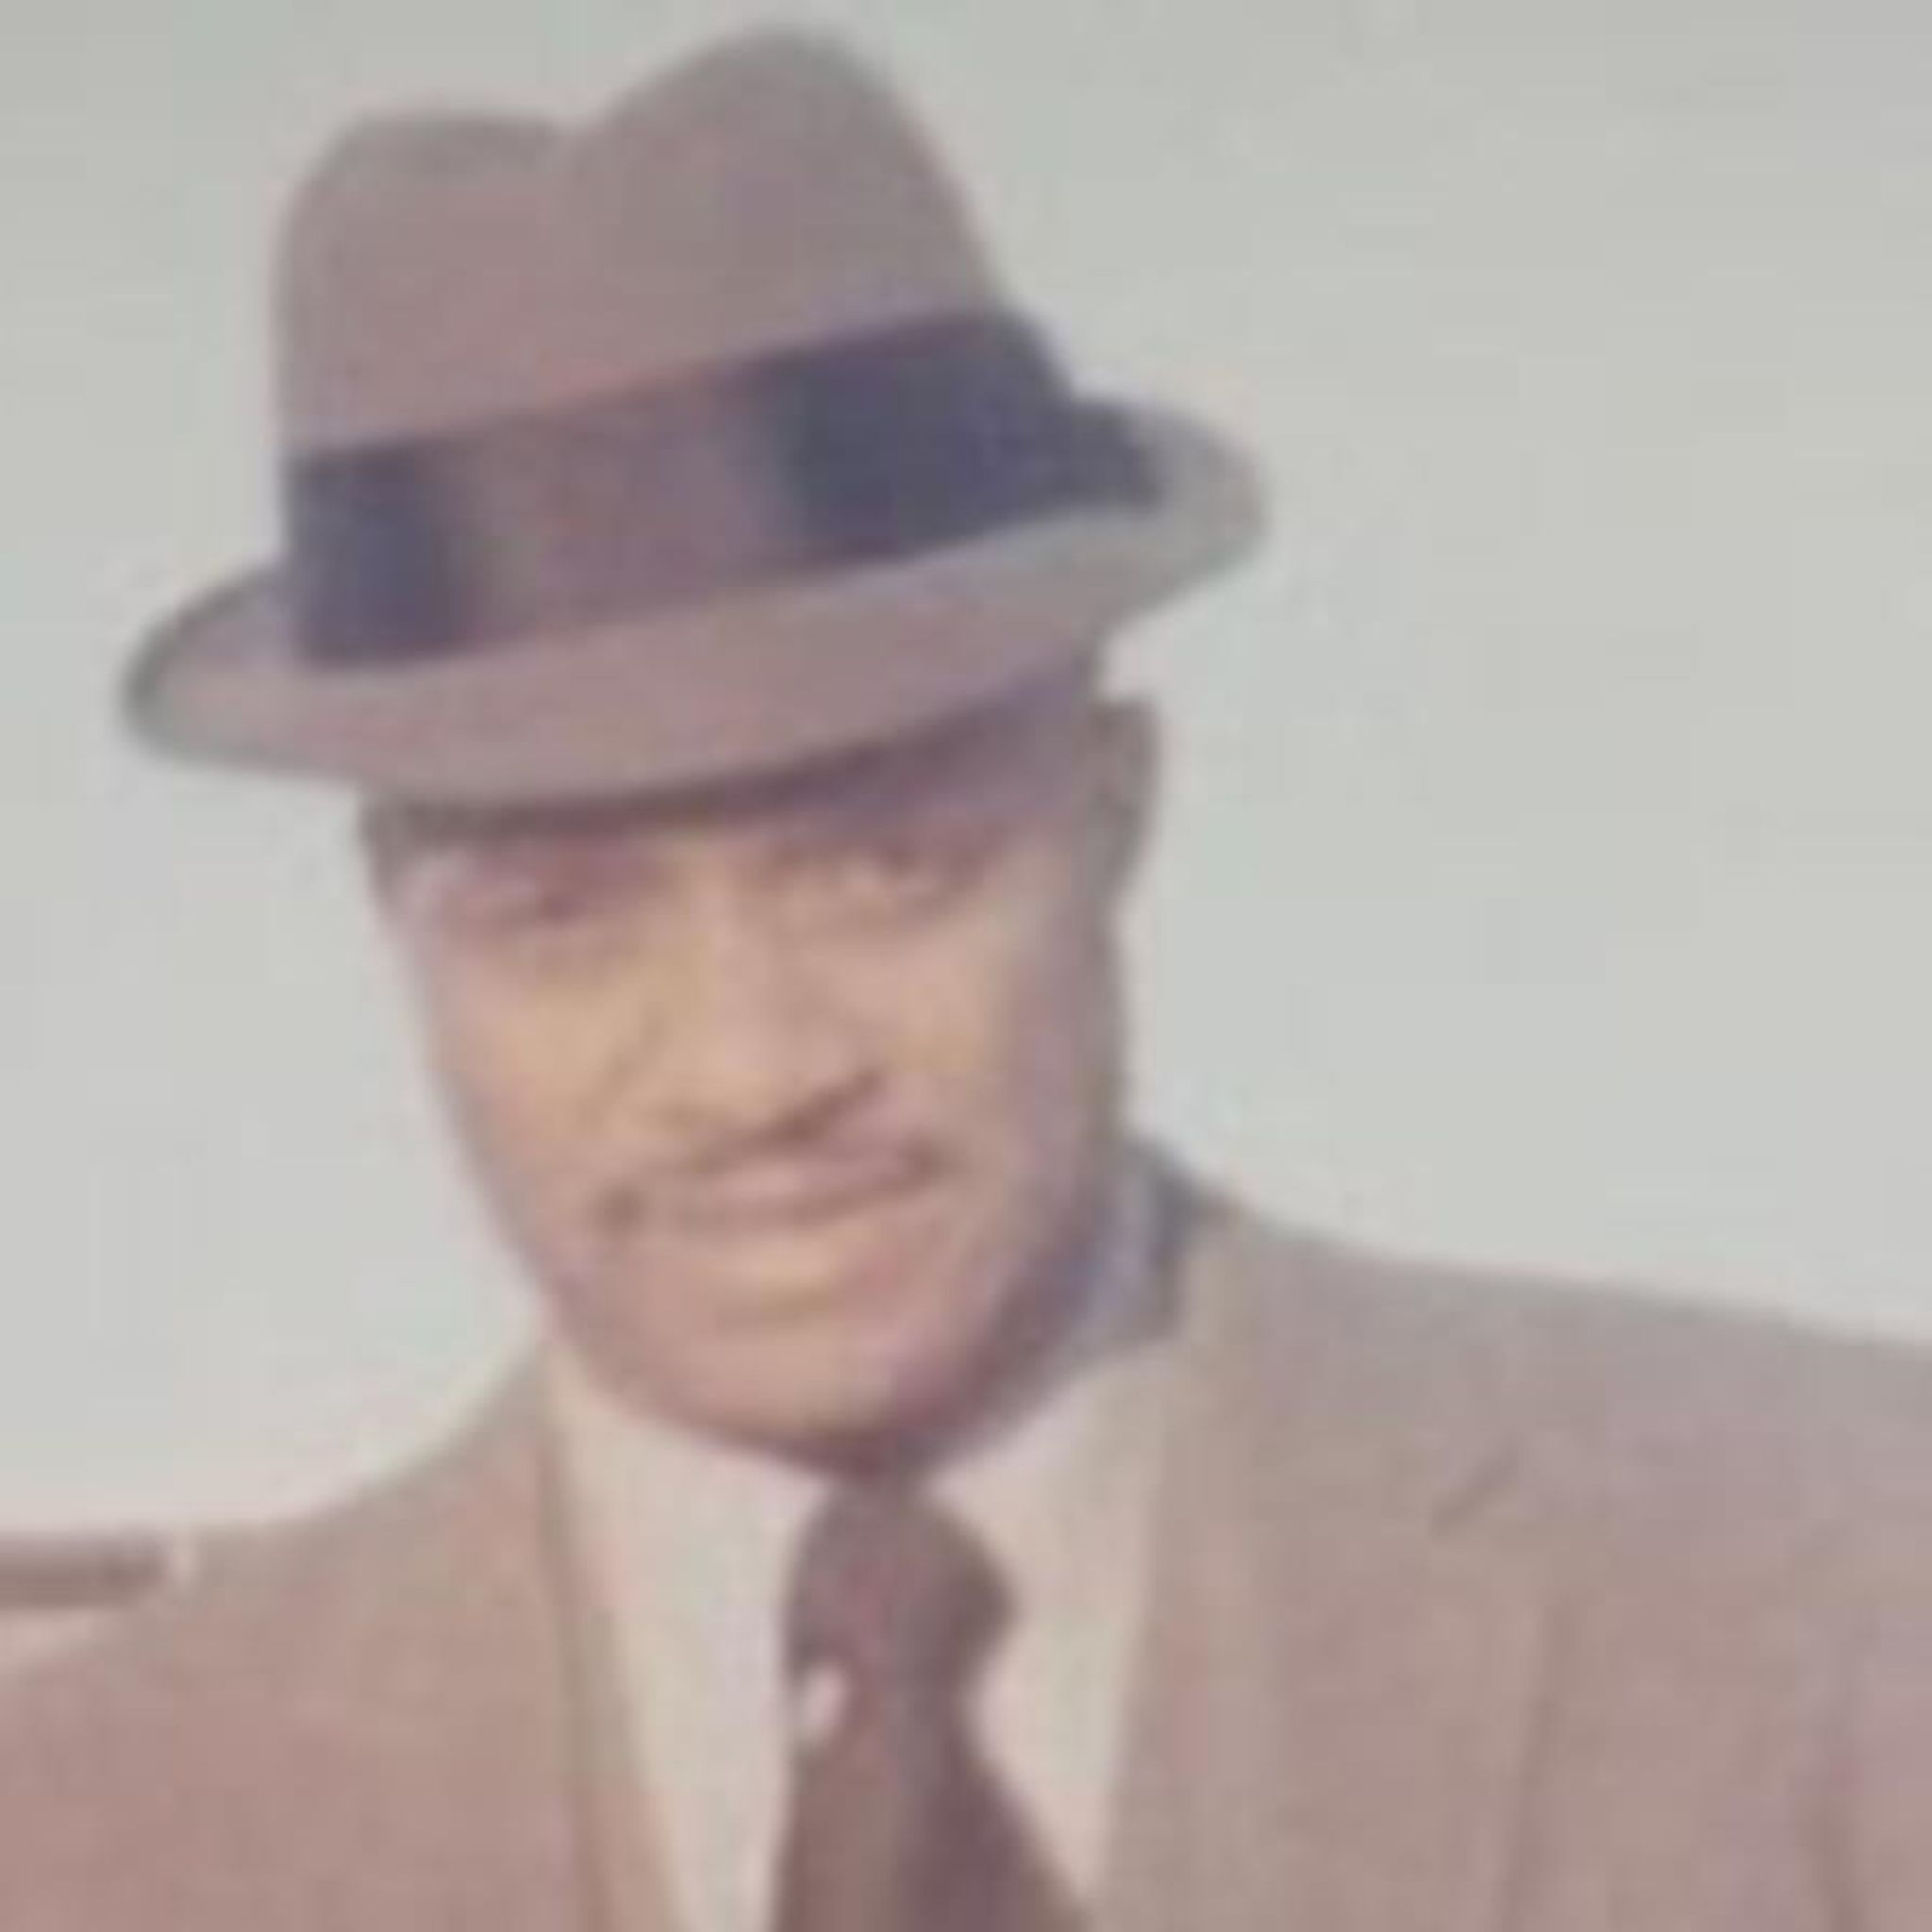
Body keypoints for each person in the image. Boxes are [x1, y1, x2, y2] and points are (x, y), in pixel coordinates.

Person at [4, 25, 1932, 1932]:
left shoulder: (1848, 1583)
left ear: (1114, 809)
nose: (751, 1067)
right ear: (396, 926)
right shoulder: (86, 1835)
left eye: (886, 867)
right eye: (563, 916)